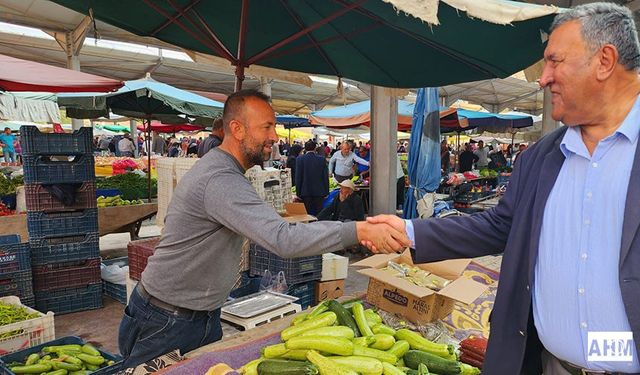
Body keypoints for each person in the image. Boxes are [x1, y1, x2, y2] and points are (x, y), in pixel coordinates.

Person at [366, 3, 640, 374]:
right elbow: (499, 226)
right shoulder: (541, 157)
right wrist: (410, 230)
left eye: (555, 61)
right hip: (548, 365)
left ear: (605, 60)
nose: (543, 78)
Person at [118, 90, 409, 368]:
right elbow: (282, 239)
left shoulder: (226, 172)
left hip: (194, 315)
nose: (274, 136)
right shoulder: (220, 179)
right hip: (166, 321)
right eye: (267, 127)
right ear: (238, 129)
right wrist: (358, 230)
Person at [295, 141, 329, 216]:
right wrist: (327, 191)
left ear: (305, 148)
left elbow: (298, 177)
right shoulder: (321, 159)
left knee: (307, 215)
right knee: (319, 214)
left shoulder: (299, 159)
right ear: (315, 148)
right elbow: (325, 177)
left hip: (305, 191)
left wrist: (298, 192)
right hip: (319, 191)